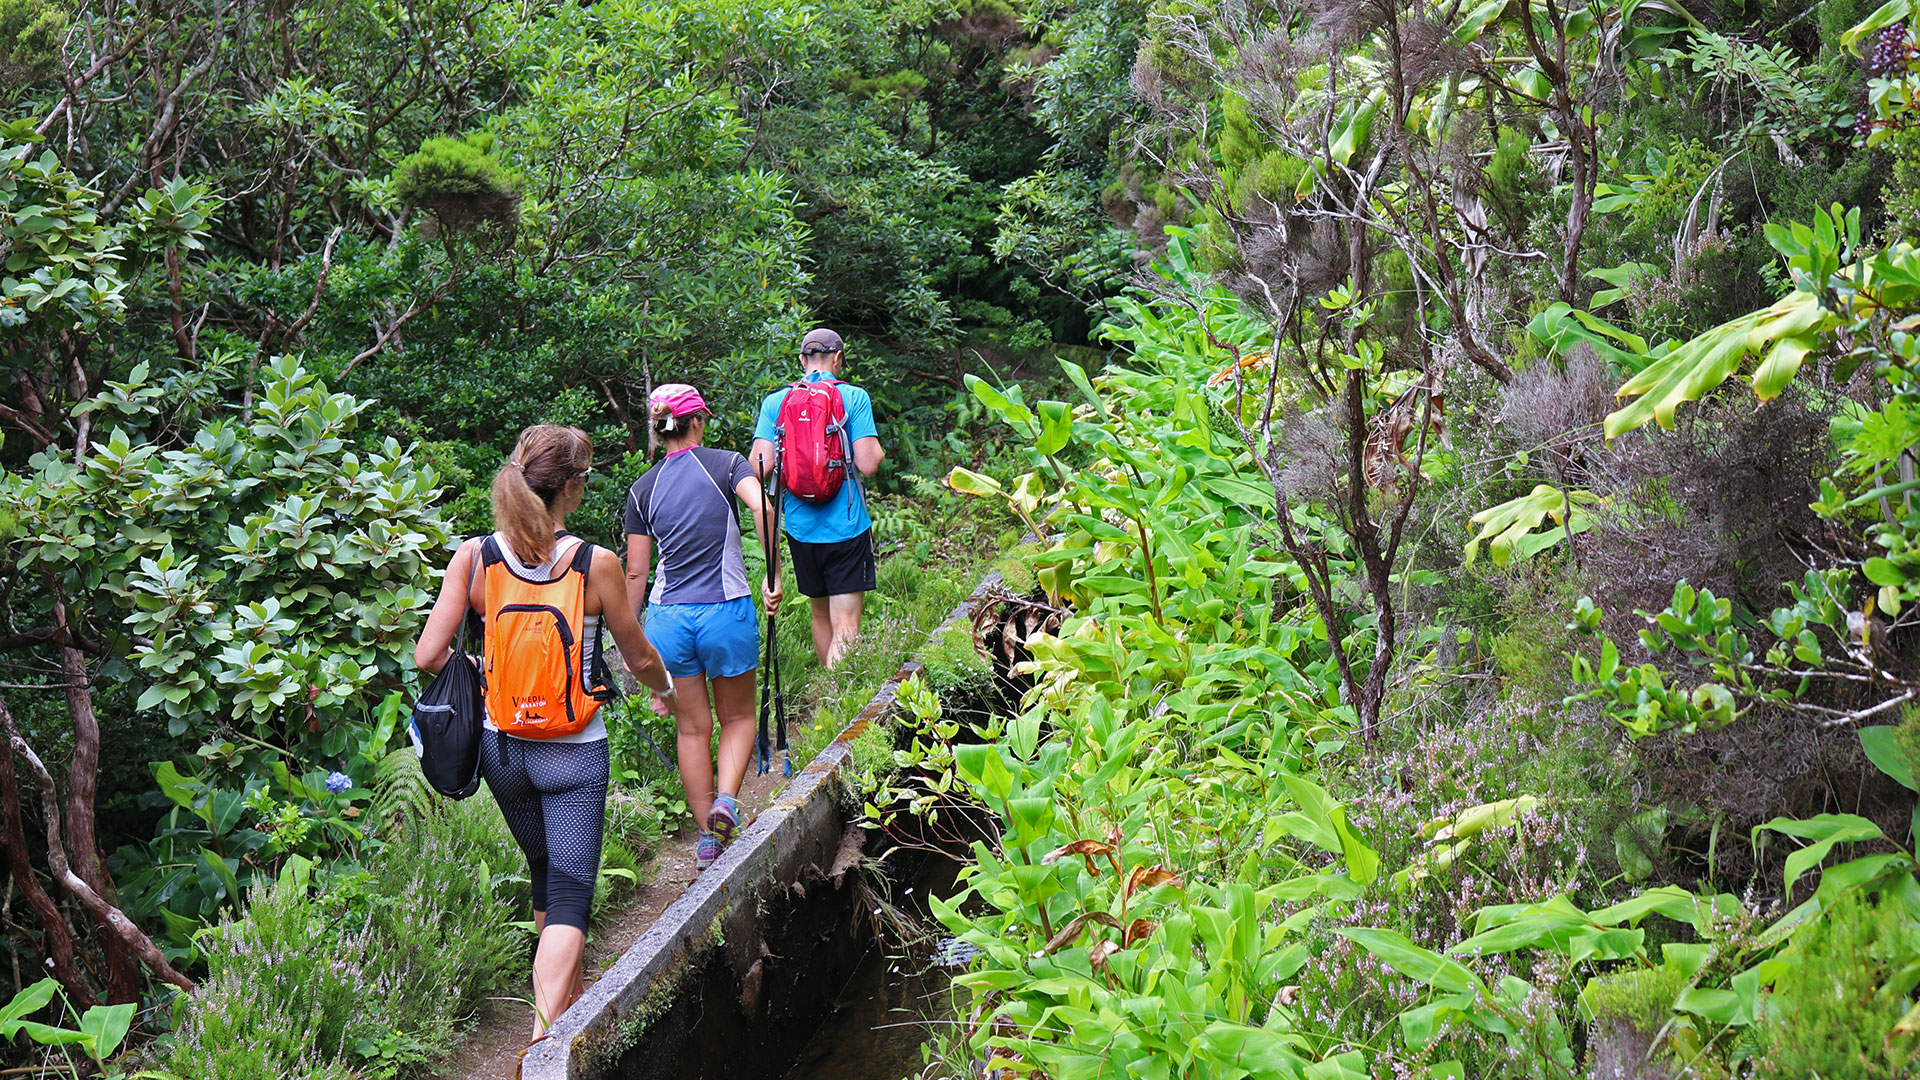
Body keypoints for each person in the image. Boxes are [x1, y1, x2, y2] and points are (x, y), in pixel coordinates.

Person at [413, 424, 674, 1044]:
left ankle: (570, 1009)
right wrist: (664, 688)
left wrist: (479, 670)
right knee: (571, 895)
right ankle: (542, 1043)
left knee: (544, 871)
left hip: (503, 749)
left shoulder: (475, 557)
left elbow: (429, 655)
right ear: (572, 488)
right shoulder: (594, 564)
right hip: (574, 754)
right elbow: (638, 658)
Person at [624, 384, 782, 872]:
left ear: (658, 428)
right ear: (696, 422)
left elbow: (635, 572)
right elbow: (762, 506)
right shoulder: (728, 464)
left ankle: (707, 840)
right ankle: (727, 801)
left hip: (667, 620)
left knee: (692, 729)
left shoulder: (642, 488)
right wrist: (772, 575)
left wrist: (632, 644)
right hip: (725, 611)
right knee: (737, 719)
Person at [751, 328, 884, 668]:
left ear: (801, 360)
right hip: (847, 527)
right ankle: (840, 698)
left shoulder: (776, 403)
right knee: (847, 623)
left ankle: (828, 689)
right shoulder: (854, 397)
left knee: (819, 612)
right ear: (838, 358)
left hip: (800, 528)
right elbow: (869, 464)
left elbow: (758, 466)